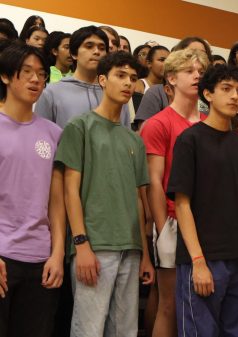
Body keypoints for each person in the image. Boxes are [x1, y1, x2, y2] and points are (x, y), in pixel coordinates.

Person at [54, 51, 154, 337]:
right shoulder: (79, 127)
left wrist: (145, 253)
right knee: (89, 330)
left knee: (125, 331)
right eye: (120, 76)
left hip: (131, 248)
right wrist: (81, 244)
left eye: (133, 79)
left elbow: (138, 199)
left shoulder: (133, 139)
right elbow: (69, 190)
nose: (128, 83)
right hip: (94, 246)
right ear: (102, 80)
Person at [167, 64, 238, 337]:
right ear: (208, 94)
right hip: (204, 258)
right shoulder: (189, 140)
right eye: (226, 89)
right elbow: (182, 205)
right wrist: (198, 261)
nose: (235, 97)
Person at [0, 42, 65, 337]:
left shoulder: (53, 133)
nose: (36, 80)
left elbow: (56, 200)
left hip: (41, 260)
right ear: (5, 76)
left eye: (41, 74)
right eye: (26, 72)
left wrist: (58, 253)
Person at [140, 49, 203, 337]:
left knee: (201, 303)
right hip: (172, 219)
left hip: (206, 221)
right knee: (169, 303)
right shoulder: (158, 123)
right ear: (172, 78)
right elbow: (153, 179)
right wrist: (163, 226)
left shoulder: (208, 122)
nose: (197, 75)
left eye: (200, 70)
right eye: (190, 71)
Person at [35, 25, 131, 128]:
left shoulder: (116, 94)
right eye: (89, 46)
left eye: (102, 48)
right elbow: (40, 138)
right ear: (74, 54)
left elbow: (125, 139)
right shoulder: (51, 93)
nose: (97, 51)